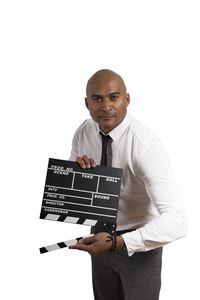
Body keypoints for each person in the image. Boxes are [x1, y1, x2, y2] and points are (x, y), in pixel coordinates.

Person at [69, 69, 188, 300]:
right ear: (87, 103)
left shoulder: (145, 146)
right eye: (97, 99)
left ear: (127, 99)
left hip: (138, 245)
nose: (105, 106)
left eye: (113, 97)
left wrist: (119, 242)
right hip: (98, 236)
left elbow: (178, 221)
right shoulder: (83, 132)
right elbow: (76, 194)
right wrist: (79, 174)